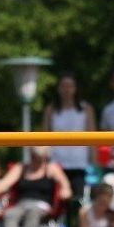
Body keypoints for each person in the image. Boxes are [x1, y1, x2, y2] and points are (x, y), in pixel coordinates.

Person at [42, 72, 97, 215]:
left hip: (79, 162)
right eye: (63, 86)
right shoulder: (51, 109)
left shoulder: (85, 109)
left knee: (78, 201)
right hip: (57, 162)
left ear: (75, 88)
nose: (66, 90)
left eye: (70, 86)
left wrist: (94, 162)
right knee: (56, 201)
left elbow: (92, 136)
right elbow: (44, 137)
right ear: (58, 89)